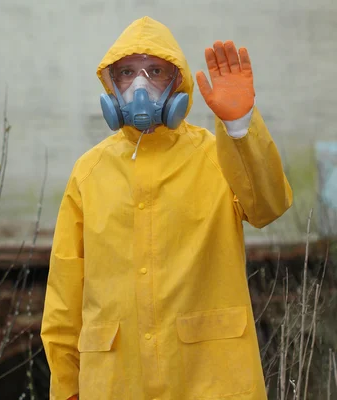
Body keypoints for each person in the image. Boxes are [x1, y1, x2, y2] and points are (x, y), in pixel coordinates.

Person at [40, 16, 293, 400]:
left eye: (154, 70)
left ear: (177, 81)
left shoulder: (216, 155)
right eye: (126, 72)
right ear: (111, 85)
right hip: (114, 385)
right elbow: (64, 296)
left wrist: (240, 126)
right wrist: (66, 387)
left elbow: (269, 205)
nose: (139, 84)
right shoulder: (89, 173)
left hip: (212, 382)